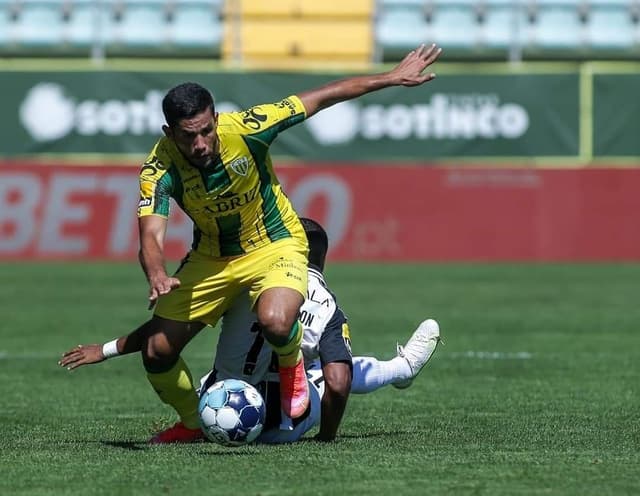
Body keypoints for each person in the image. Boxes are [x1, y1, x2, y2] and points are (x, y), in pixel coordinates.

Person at [60, 218, 442, 443]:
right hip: (282, 427)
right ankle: (401, 368)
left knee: (225, 369)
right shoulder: (326, 304)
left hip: (219, 400)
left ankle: (194, 421)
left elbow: (165, 331)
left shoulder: (240, 281)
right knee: (331, 375)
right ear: (322, 259)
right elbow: (339, 384)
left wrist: (107, 349)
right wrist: (326, 440)